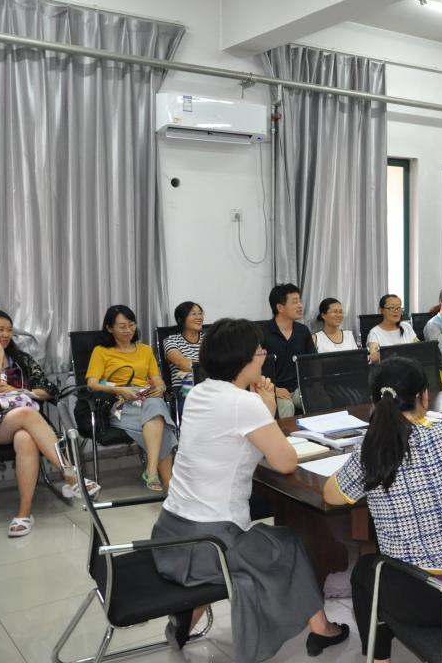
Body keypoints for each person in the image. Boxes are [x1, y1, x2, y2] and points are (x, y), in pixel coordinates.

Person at [151, 318, 348, 661]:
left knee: (274, 539)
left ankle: (191, 612)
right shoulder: (244, 404)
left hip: (170, 534)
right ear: (242, 359)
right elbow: (285, 461)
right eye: (260, 352)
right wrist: (267, 408)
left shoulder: (199, 392)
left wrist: (262, 410)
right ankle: (321, 629)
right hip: (210, 546)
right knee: (288, 543)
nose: (264, 358)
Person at [323, 357, 442, 663]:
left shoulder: (372, 449)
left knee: (365, 571)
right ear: (424, 396)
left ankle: (379, 659)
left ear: (375, 402)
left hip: (425, 598)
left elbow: (331, 495)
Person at [0, 310, 98, 537]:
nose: (6, 334)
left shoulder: (22, 359)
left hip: (25, 425)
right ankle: (71, 476)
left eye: (9, 330)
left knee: (25, 438)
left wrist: (21, 391)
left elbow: (50, 390)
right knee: (26, 414)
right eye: (0, 330)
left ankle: (24, 514)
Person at [87, 305, 177, 493]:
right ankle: (168, 484)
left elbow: (157, 378)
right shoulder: (101, 351)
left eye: (131, 325)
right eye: (122, 326)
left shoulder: (145, 350)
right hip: (120, 403)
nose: (129, 330)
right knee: (163, 428)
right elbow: (92, 384)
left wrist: (160, 387)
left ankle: (152, 472)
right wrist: (120, 390)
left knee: (155, 403)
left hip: (147, 398)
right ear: (109, 328)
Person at [262, 283, 316, 417]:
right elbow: (252, 368)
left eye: (300, 301)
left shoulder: (303, 331)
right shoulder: (262, 333)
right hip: (273, 388)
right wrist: (274, 389)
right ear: (280, 307)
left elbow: (312, 361)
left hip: (299, 387)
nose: (300, 305)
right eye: (295, 302)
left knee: (317, 398)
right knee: (286, 406)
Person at [163, 301, 205, 416]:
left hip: (210, 386)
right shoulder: (171, 340)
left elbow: (220, 363)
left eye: (200, 313)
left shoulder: (209, 340)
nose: (199, 317)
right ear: (181, 319)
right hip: (185, 389)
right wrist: (208, 367)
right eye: (193, 314)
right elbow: (182, 363)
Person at [366, 294, 418, 364]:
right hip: (388, 369)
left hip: (410, 367)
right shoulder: (374, 333)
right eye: (392, 307)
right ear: (382, 310)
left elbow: (419, 347)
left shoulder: (406, 326)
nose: (396, 311)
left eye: (399, 307)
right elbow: (373, 358)